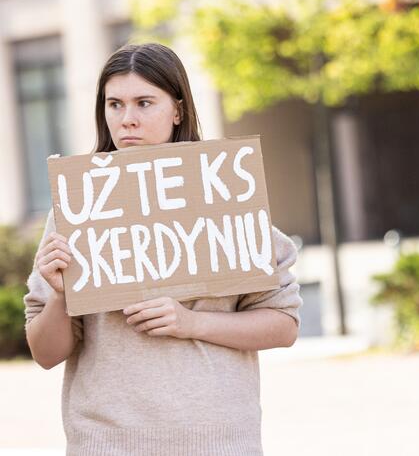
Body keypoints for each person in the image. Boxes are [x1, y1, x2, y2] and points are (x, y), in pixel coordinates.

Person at [23, 43, 302, 455]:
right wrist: (61, 295)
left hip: (219, 441)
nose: (127, 119)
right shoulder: (79, 208)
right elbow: (46, 354)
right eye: (114, 104)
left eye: (144, 102)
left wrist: (190, 323)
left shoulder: (226, 197)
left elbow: (283, 325)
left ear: (178, 110)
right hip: (106, 442)